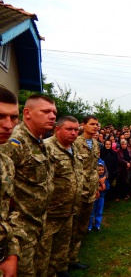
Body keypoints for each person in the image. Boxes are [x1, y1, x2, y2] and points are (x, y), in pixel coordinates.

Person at [0, 94, 57, 276]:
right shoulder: (14, 142)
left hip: (37, 223)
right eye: (46, 111)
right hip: (20, 230)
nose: (52, 116)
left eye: (54, 112)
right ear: (28, 113)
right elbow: (6, 194)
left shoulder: (40, 141)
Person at [37, 116, 83, 277]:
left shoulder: (73, 147)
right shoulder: (46, 147)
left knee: (63, 245)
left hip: (69, 209)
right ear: (57, 129)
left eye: (76, 130)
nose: (73, 133)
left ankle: (61, 269)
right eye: (69, 129)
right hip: (51, 212)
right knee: (44, 251)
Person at [68, 115, 100, 271]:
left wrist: (97, 188)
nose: (95, 127)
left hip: (90, 192)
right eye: (92, 124)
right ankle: (62, 262)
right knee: (70, 227)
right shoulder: (75, 143)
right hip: (77, 193)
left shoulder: (95, 144)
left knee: (81, 227)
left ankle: (73, 258)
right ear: (83, 125)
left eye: (97, 124)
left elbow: (94, 169)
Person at [0, 87, 21, 276]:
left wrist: (12, 254)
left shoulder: (5, 161)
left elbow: (9, 210)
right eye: (0, 116)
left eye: (13, 117)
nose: (8, 125)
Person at [88, 160, 107, 231]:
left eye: (102, 170)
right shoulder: (93, 178)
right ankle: (89, 226)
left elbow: (107, 187)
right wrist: (98, 188)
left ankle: (97, 225)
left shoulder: (103, 179)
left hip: (101, 197)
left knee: (99, 211)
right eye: (99, 170)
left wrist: (103, 187)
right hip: (94, 197)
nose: (101, 171)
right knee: (92, 211)